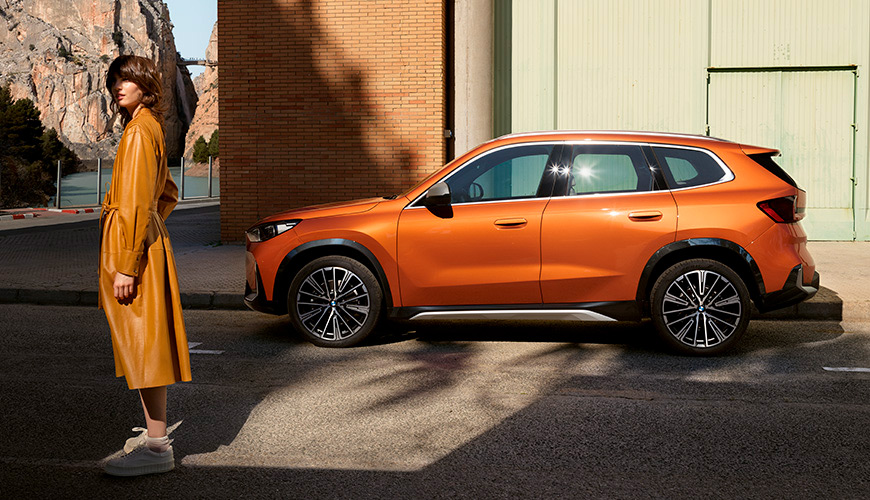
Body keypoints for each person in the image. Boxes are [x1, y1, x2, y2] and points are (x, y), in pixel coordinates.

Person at [99, 55, 191, 477]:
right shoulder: (150, 126)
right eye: (114, 80)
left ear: (144, 84)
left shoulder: (139, 131)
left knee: (142, 345)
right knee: (144, 342)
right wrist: (152, 230)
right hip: (143, 245)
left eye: (126, 79)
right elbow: (167, 193)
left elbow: (138, 203)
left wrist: (128, 263)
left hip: (132, 253)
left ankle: (157, 448)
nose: (118, 86)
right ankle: (155, 437)